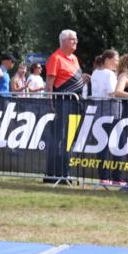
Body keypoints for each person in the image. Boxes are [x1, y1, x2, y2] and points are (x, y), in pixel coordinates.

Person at [44, 30, 84, 183]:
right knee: (60, 138)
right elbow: (49, 85)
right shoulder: (55, 58)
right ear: (64, 41)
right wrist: (51, 103)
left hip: (75, 103)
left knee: (70, 138)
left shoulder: (74, 58)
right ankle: (53, 173)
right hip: (63, 103)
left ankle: (65, 171)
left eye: (76, 39)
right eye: (73, 39)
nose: (76, 42)